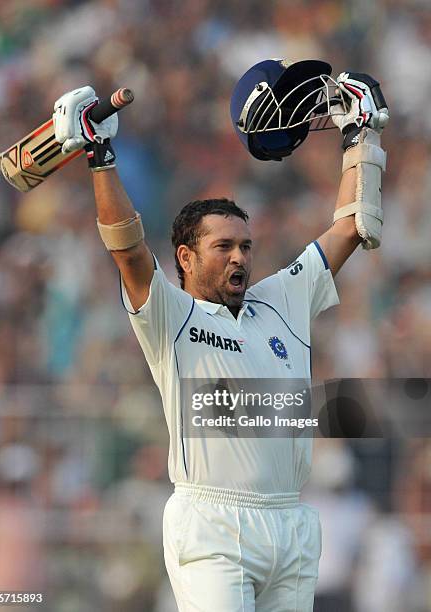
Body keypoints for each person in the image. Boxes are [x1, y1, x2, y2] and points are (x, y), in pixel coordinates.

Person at [52, 62, 388, 611]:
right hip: (211, 524)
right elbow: (128, 251)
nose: (240, 257)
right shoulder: (170, 314)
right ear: (185, 258)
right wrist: (100, 159)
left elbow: (354, 224)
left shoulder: (282, 300)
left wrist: (362, 134)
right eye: (223, 247)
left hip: (291, 522)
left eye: (246, 246)